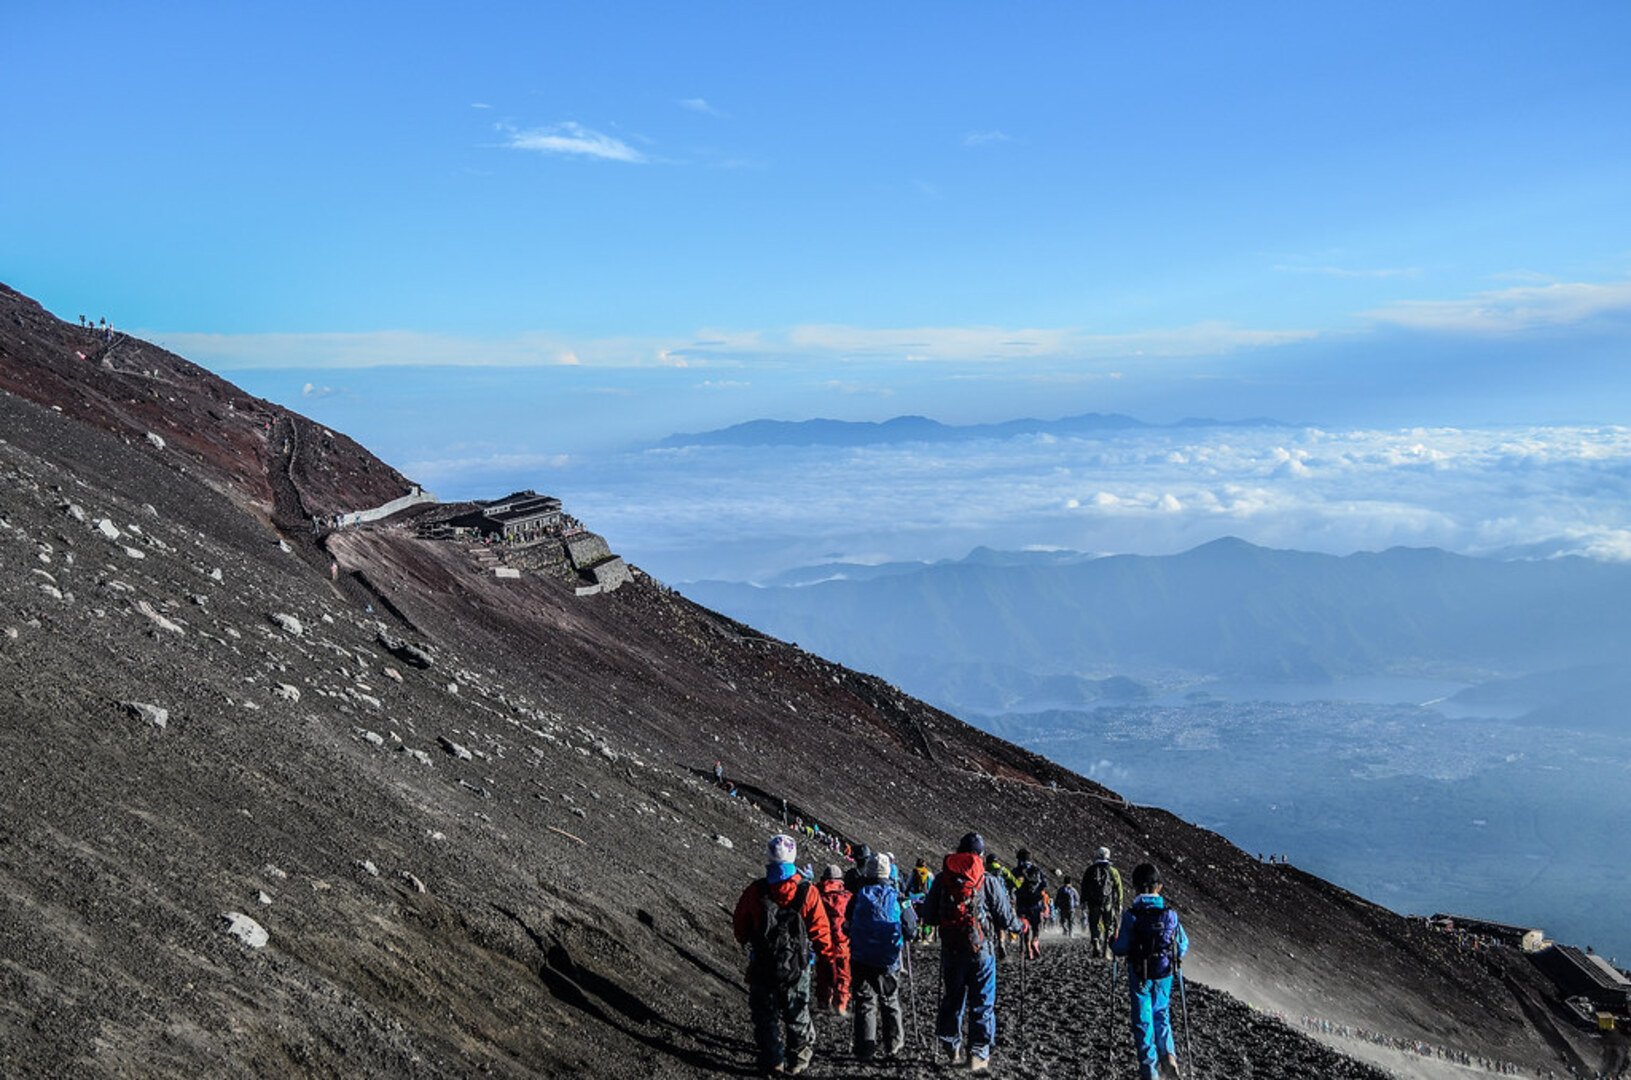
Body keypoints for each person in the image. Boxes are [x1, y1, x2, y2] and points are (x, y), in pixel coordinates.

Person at [732, 834, 837, 1076]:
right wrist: (826, 961)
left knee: (765, 1015)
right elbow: (821, 933)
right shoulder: (807, 892)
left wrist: (750, 940)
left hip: (762, 964)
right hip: (797, 966)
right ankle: (798, 1058)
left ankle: (773, 1060)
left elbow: (740, 928)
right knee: (797, 1013)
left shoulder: (756, 891)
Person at [922, 832, 1028, 1072]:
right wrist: (1021, 926)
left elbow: (928, 915)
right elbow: (1005, 916)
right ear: (980, 854)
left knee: (953, 998)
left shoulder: (942, 878)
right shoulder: (987, 879)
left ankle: (951, 1046)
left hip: (951, 949)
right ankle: (978, 1053)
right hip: (981, 950)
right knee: (982, 1001)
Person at [1110, 862, 1190, 1080]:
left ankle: (1150, 1072)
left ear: (1135, 887)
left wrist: (1112, 943)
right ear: (1159, 887)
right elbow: (1182, 945)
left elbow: (1122, 947)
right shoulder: (1170, 915)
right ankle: (1169, 1057)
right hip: (1164, 973)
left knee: (1143, 1021)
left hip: (1140, 975)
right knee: (1161, 1015)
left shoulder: (1132, 915)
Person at [846, 852, 919, 1059]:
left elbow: (847, 921)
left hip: (861, 957)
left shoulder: (859, 895)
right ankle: (893, 1044)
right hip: (888, 959)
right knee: (889, 1000)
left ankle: (865, 1048)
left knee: (865, 1001)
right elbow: (911, 930)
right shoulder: (897, 897)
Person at [815, 865, 853, 1016]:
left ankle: (823, 1001)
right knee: (843, 973)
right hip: (843, 941)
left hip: (823, 940)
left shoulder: (817, 895)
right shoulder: (848, 897)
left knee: (823, 971)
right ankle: (841, 1004)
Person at [1084, 846, 1126, 958]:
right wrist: (1119, 903)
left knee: (1094, 924)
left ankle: (1096, 943)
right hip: (1108, 902)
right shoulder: (1113, 871)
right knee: (1109, 926)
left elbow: (1084, 887)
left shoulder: (1090, 870)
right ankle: (1106, 949)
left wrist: (1084, 901)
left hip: (1093, 903)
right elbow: (1119, 888)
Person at [1012, 849, 1048, 961]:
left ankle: (1028, 950)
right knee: (1036, 926)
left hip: (1022, 903)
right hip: (1035, 903)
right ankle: (1035, 940)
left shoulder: (1016, 871)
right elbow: (1044, 884)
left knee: (1025, 926)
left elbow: (1011, 884)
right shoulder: (1037, 870)